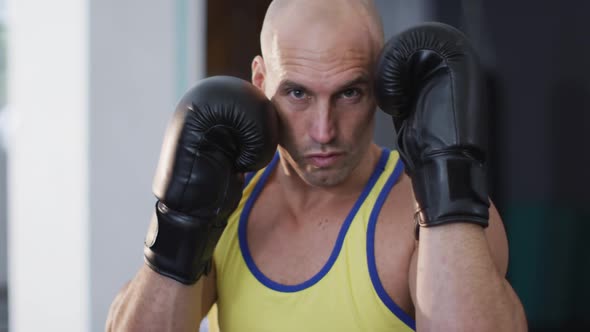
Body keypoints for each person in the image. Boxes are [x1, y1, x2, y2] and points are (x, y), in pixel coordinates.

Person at [106, 0, 528, 331]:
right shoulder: (224, 207)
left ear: (381, 85)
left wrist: (449, 180)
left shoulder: (428, 214)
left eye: (349, 93)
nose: (324, 131)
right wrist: (180, 222)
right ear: (259, 81)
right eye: (297, 94)